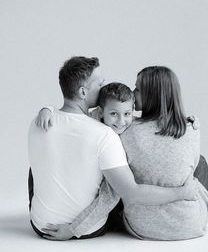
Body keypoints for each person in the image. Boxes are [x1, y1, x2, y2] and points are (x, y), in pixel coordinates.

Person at [28, 57, 197, 240]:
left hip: (41, 224)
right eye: (100, 83)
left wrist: (48, 108)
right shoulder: (107, 134)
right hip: (88, 229)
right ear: (83, 92)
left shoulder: (37, 122)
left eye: (137, 89)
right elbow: (128, 192)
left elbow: (114, 193)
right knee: (198, 164)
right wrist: (183, 192)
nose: (104, 87)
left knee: (41, 166)